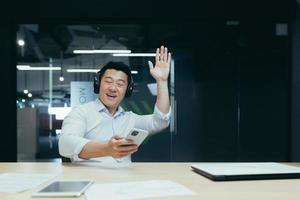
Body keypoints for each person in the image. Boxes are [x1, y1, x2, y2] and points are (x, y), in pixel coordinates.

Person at [58, 45, 171, 162]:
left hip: (124, 179)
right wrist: (106, 149)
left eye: (120, 84)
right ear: (98, 84)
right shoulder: (81, 113)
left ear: (127, 90)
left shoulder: (130, 119)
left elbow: (160, 121)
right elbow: (65, 144)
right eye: (108, 81)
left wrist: (162, 82)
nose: (113, 88)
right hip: (92, 178)